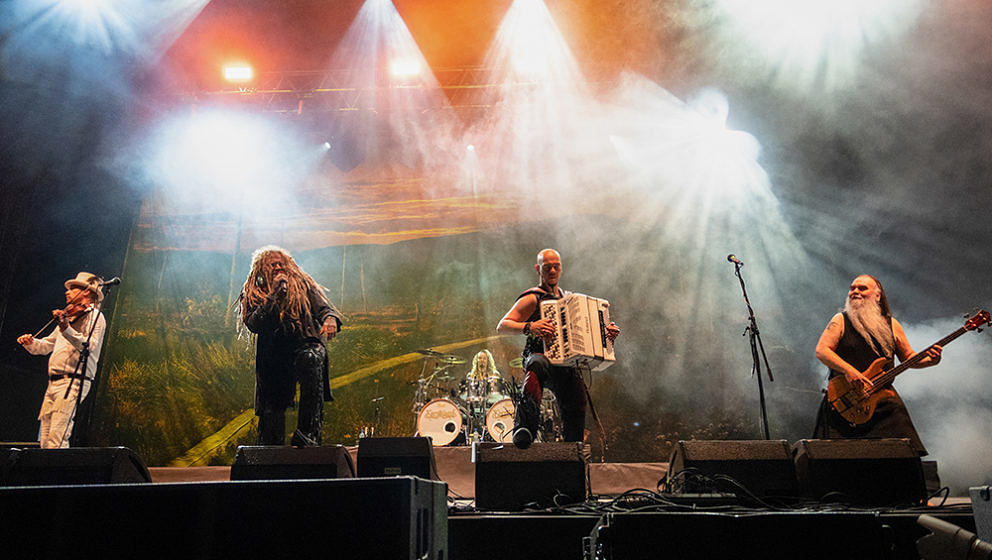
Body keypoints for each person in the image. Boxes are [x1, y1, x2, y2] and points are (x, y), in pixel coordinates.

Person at [496, 249, 620, 449]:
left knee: (578, 393)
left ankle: (573, 446)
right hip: (539, 357)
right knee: (537, 363)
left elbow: (590, 331)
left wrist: (606, 334)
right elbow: (503, 326)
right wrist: (530, 326)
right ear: (538, 269)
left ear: (561, 268)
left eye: (556, 266)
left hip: (566, 362)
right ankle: (524, 428)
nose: (552, 271)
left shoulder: (570, 298)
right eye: (547, 267)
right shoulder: (532, 298)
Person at [813, 274, 942, 454]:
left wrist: (931, 361)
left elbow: (910, 358)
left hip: (883, 399)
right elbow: (822, 350)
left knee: (901, 451)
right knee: (838, 457)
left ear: (878, 295)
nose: (855, 292)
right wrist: (850, 371)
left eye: (862, 288)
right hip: (846, 400)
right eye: (852, 288)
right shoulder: (840, 320)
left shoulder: (892, 324)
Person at [238, 246, 342, 447]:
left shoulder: (302, 285)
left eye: (281, 264)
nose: (278, 267)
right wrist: (274, 296)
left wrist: (330, 318)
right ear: (261, 269)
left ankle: (308, 435)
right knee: (272, 407)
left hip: (306, 344)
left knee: (310, 359)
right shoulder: (253, 292)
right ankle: (270, 450)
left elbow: (324, 308)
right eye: (272, 264)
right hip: (275, 353)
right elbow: (253, 324)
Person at [17, 272, 107, 448]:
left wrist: (66, 328)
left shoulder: (95, 317)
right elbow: (46, 346)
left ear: (87, 292)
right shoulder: (69, 317)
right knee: (44, 438)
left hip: (73, 381)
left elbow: (89, 346)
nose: (67, 292)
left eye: (73, 289)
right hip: (53, 382)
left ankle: (57, 475)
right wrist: (31, 342)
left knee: (57, 437)